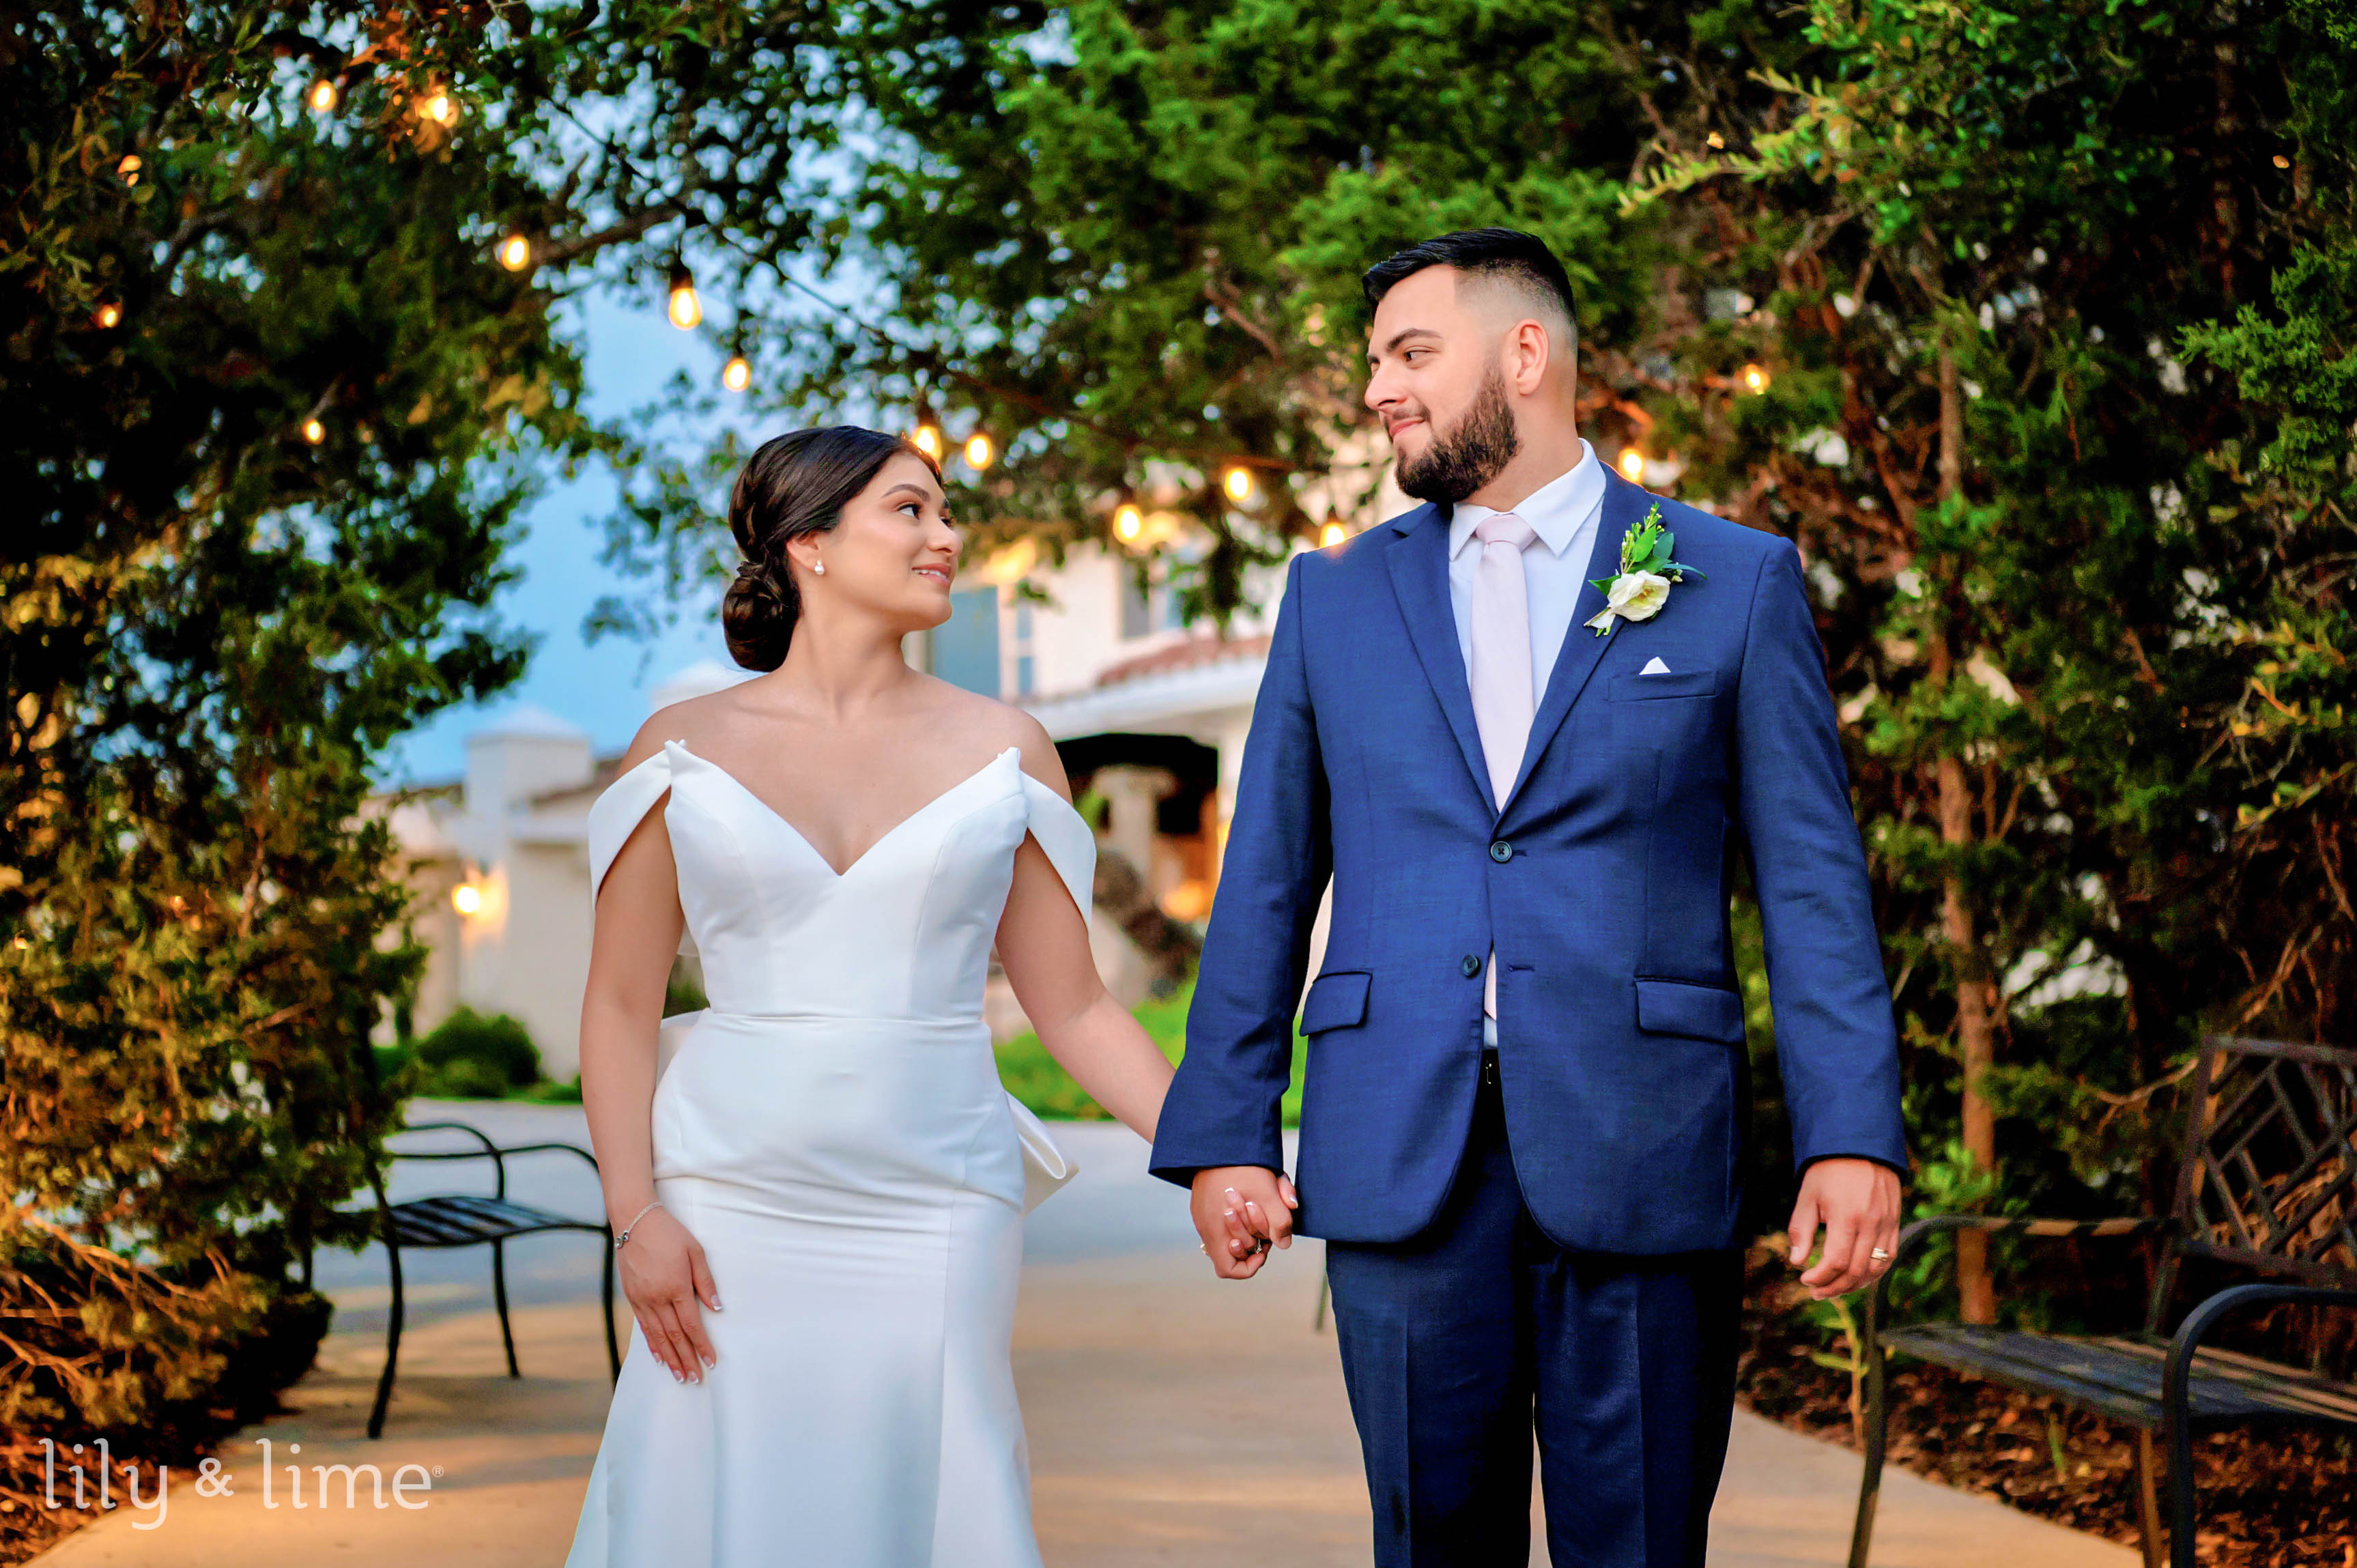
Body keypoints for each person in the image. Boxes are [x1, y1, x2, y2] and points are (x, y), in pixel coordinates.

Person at [1150, 228, 1910, 1567]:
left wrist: (1849, 1135)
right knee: (1429, 1541)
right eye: (1373, 362)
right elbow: (1265, 878)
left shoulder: (1730, 578)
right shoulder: (1333, 596)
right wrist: (1225, 1131)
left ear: (1524, 353)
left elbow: (1808, 883)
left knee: (1641, 1543)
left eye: (1409, 353)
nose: (1378, 389)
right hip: (1397, 1150)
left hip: (1643, 1138)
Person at [562, 426, 1175, 1567]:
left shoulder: (1007, 749)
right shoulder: (679, 748)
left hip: (936, 1198)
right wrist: (634, 1216)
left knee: (931, 1485)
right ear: (810, 543)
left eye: (946, 511)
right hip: (725, 1200)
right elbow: (617, 1005)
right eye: (910, 509)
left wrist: (1220, 1151)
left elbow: (1076, 1008)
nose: (947, 536)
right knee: (718, 1492)